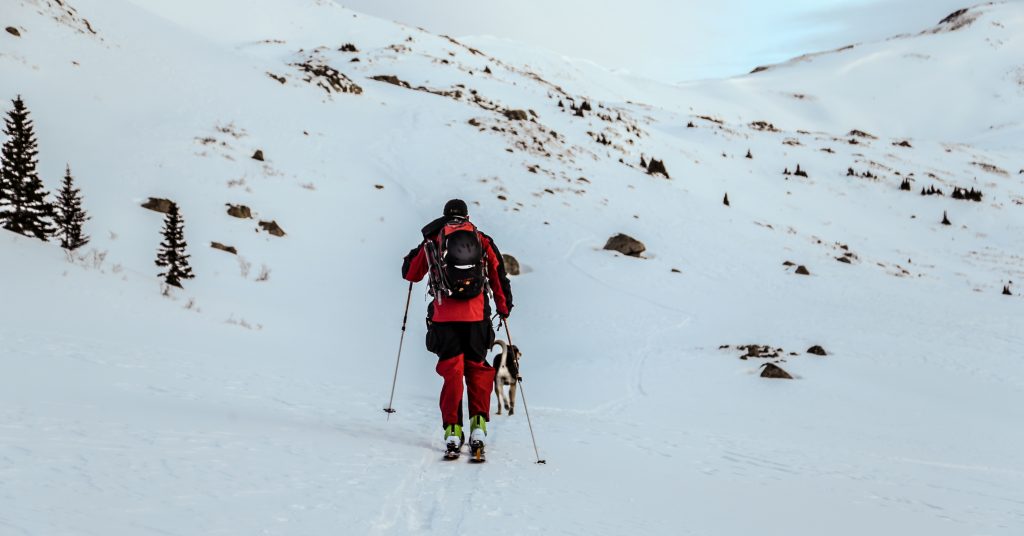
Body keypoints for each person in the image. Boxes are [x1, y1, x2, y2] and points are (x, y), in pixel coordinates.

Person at [401, 199, 513, 458]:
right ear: (467, 217)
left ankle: (453, 431)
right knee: (477, 371)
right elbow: (498, 274)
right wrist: (503, 308)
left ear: (445, 216)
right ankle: (478, 429)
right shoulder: (481, 239)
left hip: (444, 319)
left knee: (452, 372)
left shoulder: (434, 239)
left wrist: (427, 238)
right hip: (476, 318)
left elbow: (411, 274)